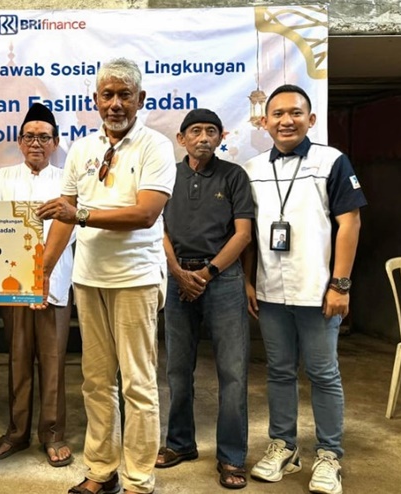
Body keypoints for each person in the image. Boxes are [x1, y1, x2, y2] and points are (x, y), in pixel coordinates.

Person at [36, 58, 176, 494]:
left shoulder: (155, 146)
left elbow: (145, 213)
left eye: (124, 95)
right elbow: (63, 217)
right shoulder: (82, 149)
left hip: (136, 278)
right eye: (108, 95)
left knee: (138, 383)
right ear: (96, 100)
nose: (115, 104)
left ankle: (138, 479)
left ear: (140, 99)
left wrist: (80, 214)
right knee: (96, 382)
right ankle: (101, 470)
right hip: (89, 278)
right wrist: (41, 271)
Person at [242, 84, 367, 494]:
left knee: (323, 373)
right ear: (264, 122)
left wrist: (340, 285)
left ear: (311, 119)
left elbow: (350, 223)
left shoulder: (331, 161)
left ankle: (329, 454)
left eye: (295, 113)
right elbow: (247, 233)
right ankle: (285, 446)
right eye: (277, 114)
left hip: (318, 292)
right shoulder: (253, 169)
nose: (286, 121)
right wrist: (248, 281)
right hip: (271, 293)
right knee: (279, 372)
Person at [156, 109, 254, 489]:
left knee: (233, 372)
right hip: (177, 279)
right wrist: (178, 272)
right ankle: (180, 443)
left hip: (223, 280)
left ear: (221, 137)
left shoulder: (234, 176)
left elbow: (243, 234)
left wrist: (207, 273)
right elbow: (159, 227)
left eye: (211, 131)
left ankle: (231, 457)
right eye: (195, 131)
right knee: (178, 370)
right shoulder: (168, 175)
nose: (203, 137)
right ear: (181, 139)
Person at [0, 103, 75, 468]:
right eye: (30, 137)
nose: (36, 143)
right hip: (14, 282)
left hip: (56, 282)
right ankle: (17, 432)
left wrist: (44, 268)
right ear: (20, 142)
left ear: (55, 142)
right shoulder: (3, 177)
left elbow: (72, 231)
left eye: (44, 137)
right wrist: (25, 271)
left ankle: (52, 434)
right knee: (18, 358)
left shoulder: (67, 180)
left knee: (53, 361)